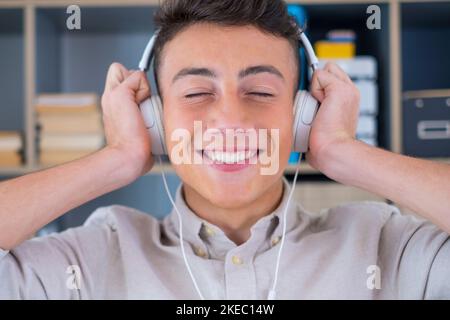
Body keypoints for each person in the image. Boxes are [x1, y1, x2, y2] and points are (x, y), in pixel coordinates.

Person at [0, 0, 449, 299]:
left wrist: (344, 152)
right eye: (197, 93)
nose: (231, 119)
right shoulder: (93, 259)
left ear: (301, 116)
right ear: (154, 118)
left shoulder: (384, 248)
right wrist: (116, 159)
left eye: (260, 91)